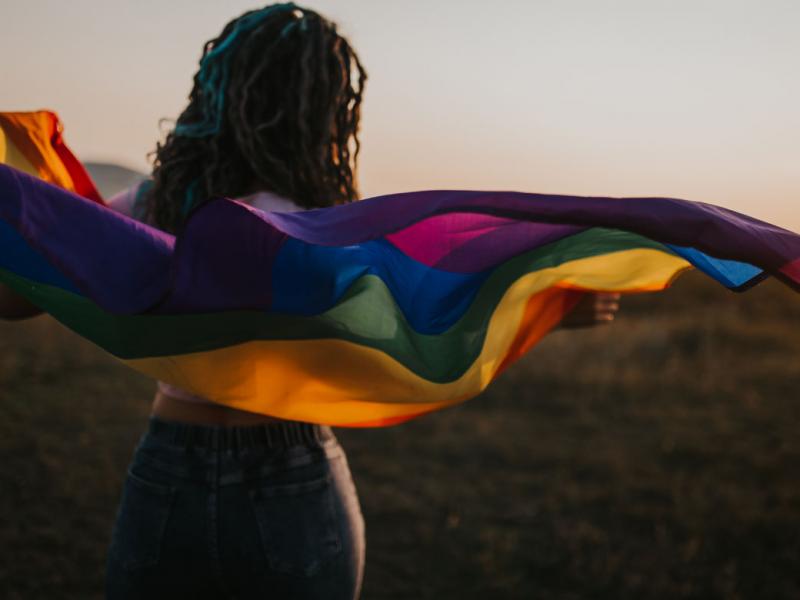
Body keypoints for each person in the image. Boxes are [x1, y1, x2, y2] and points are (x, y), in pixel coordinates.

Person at [0, 3, 619, 598]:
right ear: (325, 112)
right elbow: (416, 317)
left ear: (215, 94)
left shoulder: (154, 204)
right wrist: (545, 306)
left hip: (169, 464)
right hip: (292, 472)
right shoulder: (328, 226)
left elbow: (22, 298)